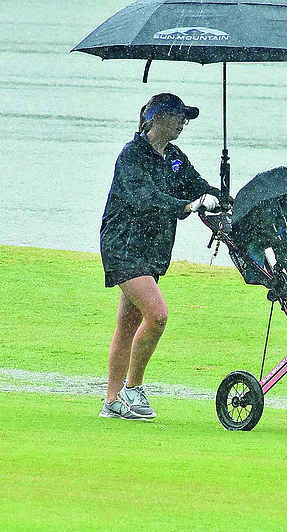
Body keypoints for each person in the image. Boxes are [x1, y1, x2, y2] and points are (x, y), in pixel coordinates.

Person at [99, 93, 221, 420]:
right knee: (158, 315)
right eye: (178, 116)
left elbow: (198, 186)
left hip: (152, 250)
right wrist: (187, 206)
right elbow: (146, 198)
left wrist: (221, 197)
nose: (183, 122)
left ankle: (112, 401)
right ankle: (133, 391)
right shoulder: (132, 156)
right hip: (123, 246)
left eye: (185, 118)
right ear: (155, 119)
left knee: (128, 323)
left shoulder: (175, 157)